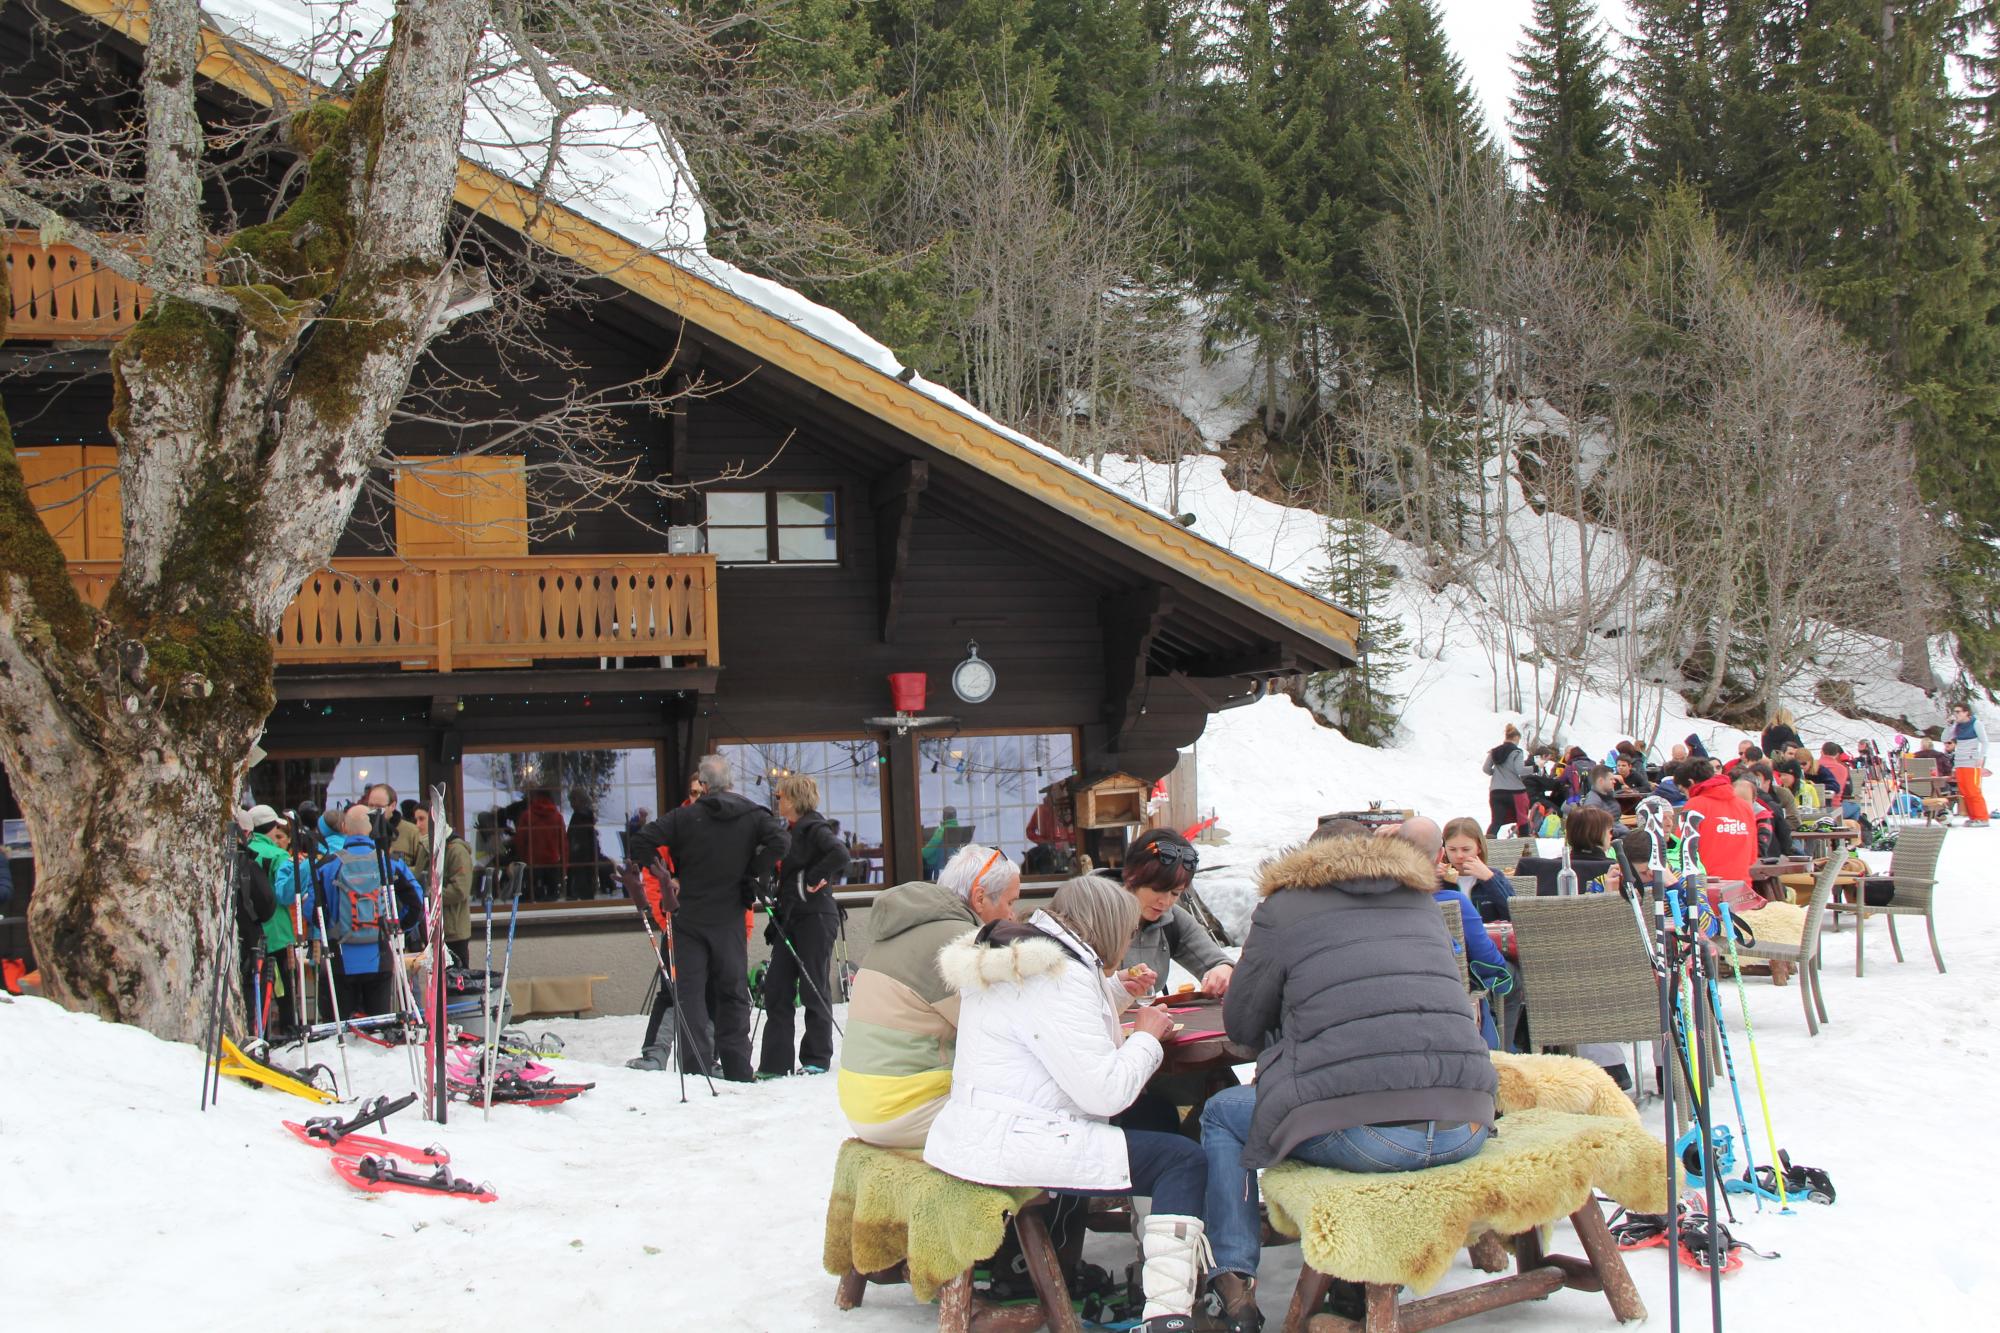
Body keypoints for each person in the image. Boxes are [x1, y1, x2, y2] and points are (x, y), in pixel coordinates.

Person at [1197, 823, 1497, 1332]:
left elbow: (1242, 1027)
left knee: (1222, 1114)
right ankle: (1348, 1279)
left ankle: (1233, 1283)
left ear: (1309, 860)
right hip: (1466, 1122)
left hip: (1367, 1135)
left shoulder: (1284, 908)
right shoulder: (1423, 902)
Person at [924, 877, 1208, 1333]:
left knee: (1152, 1114)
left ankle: (1154, 1265)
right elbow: (1105, 1093)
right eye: (1128, 929)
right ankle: (1167, 1315)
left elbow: (1052, 1026)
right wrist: (1149, 1038)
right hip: (1020, 1141)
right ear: (1108, 924)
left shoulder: (1028, 956)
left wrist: (1120, 994)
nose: (1130, 938)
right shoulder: (1058, 977)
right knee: (1184, 1160)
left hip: (985, 1129)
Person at [838, 844, 1020, 1147]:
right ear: (979, 898)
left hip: (864, 1102)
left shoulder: (906, 927)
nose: (1013, 914)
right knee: (1034, 1111)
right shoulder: (958, 940)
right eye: (1011, 901)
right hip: (908, 1108)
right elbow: (1001, 1031)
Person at [628, 755, 789, 1081]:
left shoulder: (684, 818)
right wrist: (751, 871)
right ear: (729, 782)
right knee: (731, 993)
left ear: (702, 784)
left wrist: (667, 876)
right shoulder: (752, 814)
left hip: (689, 919)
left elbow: (640, 841)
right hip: (730, 916)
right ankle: (738, 1067)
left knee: (691, 995)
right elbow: (781, 841)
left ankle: (697, 1067)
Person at [757, 774, 852, 1078]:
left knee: (812, 986)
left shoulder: (813, 827)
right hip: (794, 918)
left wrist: (813, 877)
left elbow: (839, 854)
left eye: (780, 796)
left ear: (794, 798)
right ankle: (775, 1062)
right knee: (777, 987)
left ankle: (816, 1058)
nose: (777, 801)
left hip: (816, 917)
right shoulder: (792, 831)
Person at [309, 802, 425, 1018]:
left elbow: (311, 908)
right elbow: (417, 902)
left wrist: (331, 930)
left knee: (339, 1031)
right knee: (379, 1028)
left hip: (340, 957)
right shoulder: (389, 863)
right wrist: (400, 928)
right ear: (372, 828)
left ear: (344, 827)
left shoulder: (327, 866)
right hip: (379, 955)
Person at [1115, 828, 1233, 997]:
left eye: (1175, 893)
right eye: (1157, 889)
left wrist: (1223, 970)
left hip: (1147, 1020)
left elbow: (1217, 961)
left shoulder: (1173, 920)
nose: (1165, 902)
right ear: (1132, 877)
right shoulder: (1091, 915)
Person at [240, 805, 295, 1031]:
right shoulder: (278, 855)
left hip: (249, 929)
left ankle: (255, 1025)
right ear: (271, 828)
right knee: (284, 986)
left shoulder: (243, 852)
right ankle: (287, 1028)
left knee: (254, 983)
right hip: (277, 930)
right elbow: (285, 893)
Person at [1683, 759, 1757, 885]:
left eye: (1682, 790)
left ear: (1690, 783)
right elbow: (1752, 856)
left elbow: (1681, 852)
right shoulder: (1744, 807)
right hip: (1742, 887)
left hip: (1707, 888)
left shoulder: (1695, 804)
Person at [1440, 818, 1517, 922]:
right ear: (1444, 850)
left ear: (1479, 848)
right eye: (1452, 849)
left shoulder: (1494, 875)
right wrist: (1428, 881)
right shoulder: (1439, 878)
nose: (1459, 855)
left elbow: (1514, 916)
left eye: (1466, 849)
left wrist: (1490, 880)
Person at [515, 787, 567, 902]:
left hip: (532, 862)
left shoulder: (527, 816)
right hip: (552, 861)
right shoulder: (558, 817)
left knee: (531, 897)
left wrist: (523, 857)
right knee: (552, 898)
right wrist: (564, 863)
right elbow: (563, 842)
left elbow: (520, 840)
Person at [1481, 725, 1532, 835]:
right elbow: (1520, 770)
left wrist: (1495, 773)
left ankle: (1488, 846)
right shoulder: (1517, 752)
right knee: (1522, 819)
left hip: (1496, 792)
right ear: (1516, 738)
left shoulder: (1494, 752)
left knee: (1496, 821)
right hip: (1515, 792)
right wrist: (1535, 768)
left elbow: (1486, 769)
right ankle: (1524, 847)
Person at [1945, 702, 1990, 826]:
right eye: (1955, 712)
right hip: (1960, 761)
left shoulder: (1976, 724)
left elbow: (1985, 742)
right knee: (1964, 790)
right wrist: (1949, 725)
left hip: (1971, 761)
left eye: (1958, 712)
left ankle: (1982, 817)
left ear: (1966, 712)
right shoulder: (1957, 726)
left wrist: (1981, 757)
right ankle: (1974, 816)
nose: (1956, 714)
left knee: (1973, 789)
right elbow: (1945, 738)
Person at [441, 823, 474, 966]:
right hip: (435, 930)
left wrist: (430, 896)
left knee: (457, 979)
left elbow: (460, 890)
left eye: (421, 819)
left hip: (453, 929)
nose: (418, 824)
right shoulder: (428, 847)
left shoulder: (457, 851)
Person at [921, 805, 960, 878]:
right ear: (955, 816)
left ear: (944, 816)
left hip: (938, 865)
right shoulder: (960, 831)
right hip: (952, 864)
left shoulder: (941, 831)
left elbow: (926, 853)